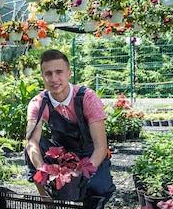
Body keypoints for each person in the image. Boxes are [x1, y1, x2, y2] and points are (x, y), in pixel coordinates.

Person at [25, 49, 115, 201]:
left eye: (59, 72)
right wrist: (42, 168)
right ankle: (49, 204)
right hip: (62, 153)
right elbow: (32, 143)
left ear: (69, 73)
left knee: (99, 188)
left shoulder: (87, 98)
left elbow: (101, 146)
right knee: (34, 146)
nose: (54, 79)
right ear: (43, 77)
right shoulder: (38, 103)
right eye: (48, 74)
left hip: (89, 152)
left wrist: (81, 173)